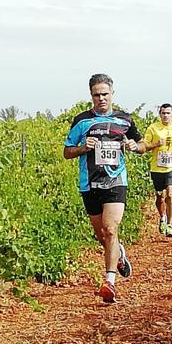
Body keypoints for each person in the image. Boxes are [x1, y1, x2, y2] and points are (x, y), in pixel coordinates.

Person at [63, 73, 146, 303]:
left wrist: (134, 146)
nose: (101, 98)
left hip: (116, 181)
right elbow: (67, 151)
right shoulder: (81, 121)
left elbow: (143, 144)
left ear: (112, 94)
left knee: (110, 229)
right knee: (102, 235)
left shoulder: (125, 120)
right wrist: (83, 147)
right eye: (96, 95)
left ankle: (109, 282)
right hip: (89, 183)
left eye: (105, 94)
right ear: (91, 96)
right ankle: (118, 254)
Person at [143, 104, 172, 237]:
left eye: (168, 113)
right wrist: (156, 144)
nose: (166, 115)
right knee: (160, 197)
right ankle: (162, 217)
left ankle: (169, 224)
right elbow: (145, 145)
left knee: (170, 193)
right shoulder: (153, 128)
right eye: (163, 113)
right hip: (157, 168)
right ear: (160, 115)